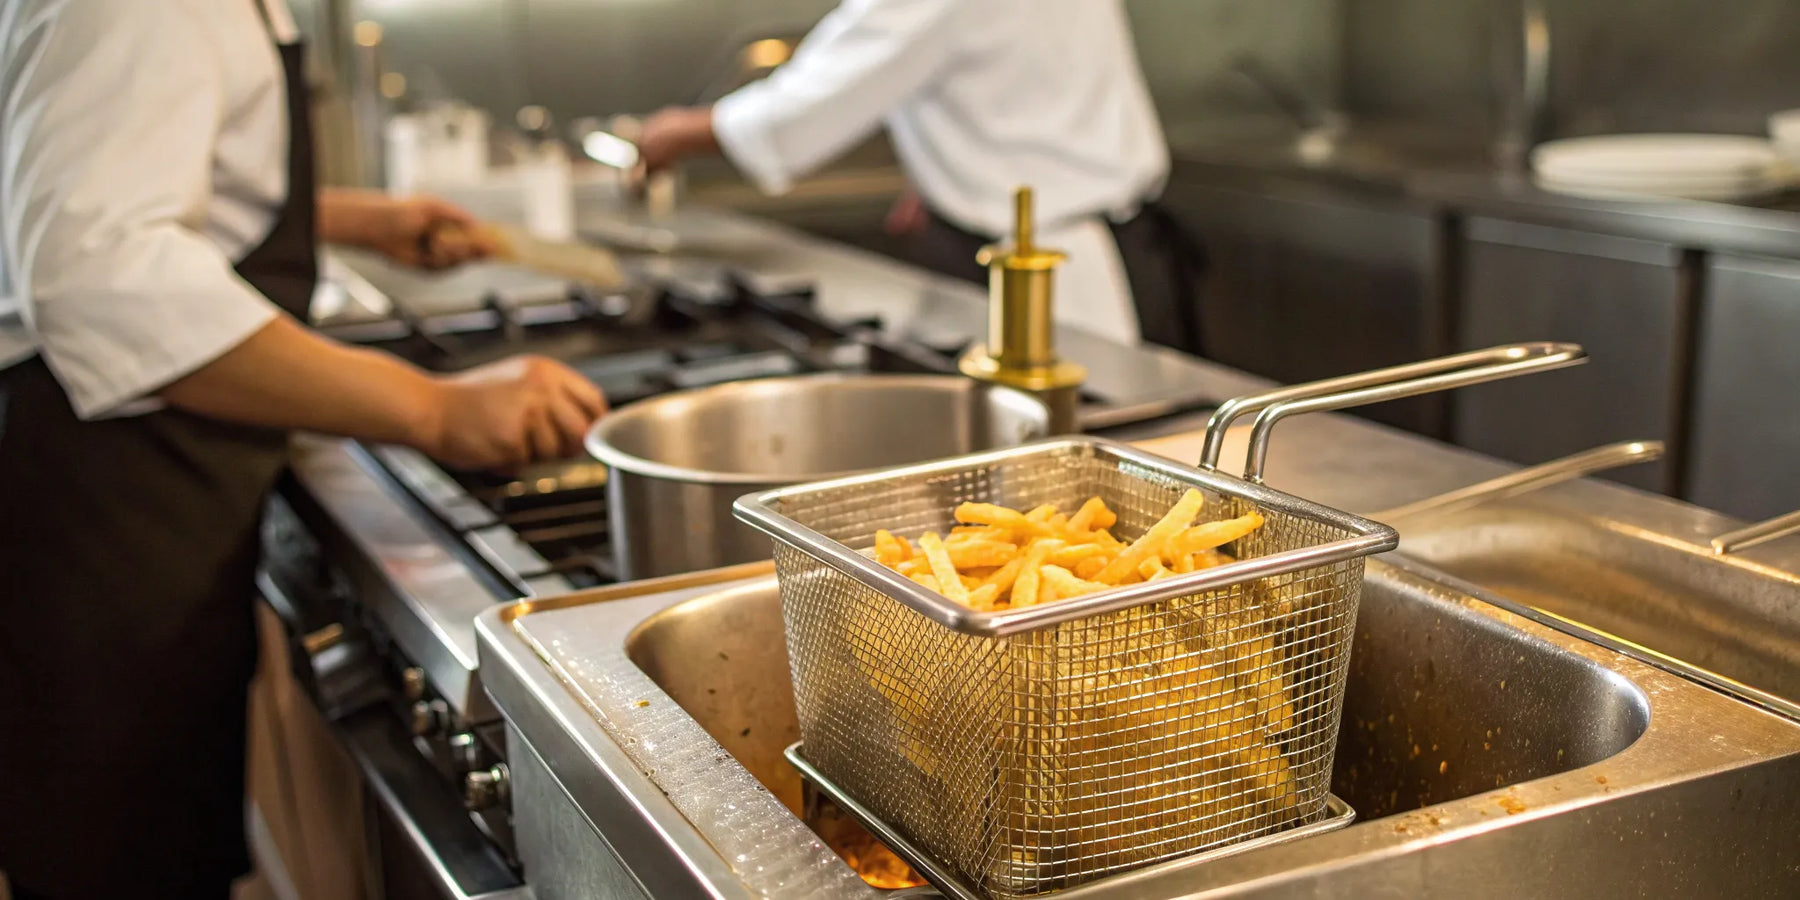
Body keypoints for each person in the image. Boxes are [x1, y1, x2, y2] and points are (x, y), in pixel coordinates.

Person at [0, 1, 606, 896]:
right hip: (103, 490)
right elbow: (101, 277)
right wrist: (432, 407)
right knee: (118, 855)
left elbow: (113, 162)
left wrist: (357, 219)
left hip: (146, 473)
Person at [637, 0, 1203, 355]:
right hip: (1120, 238)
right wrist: (947, 169)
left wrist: (673, 134)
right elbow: (1018, 75)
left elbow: (802, 110)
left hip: (1059, 276)